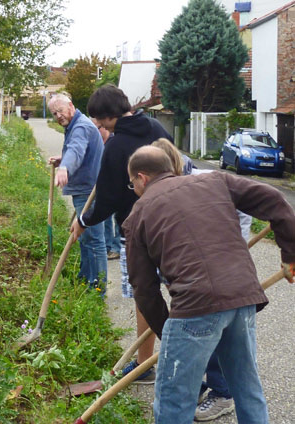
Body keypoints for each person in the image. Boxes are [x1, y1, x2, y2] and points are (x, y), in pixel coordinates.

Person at [122, 145, 295, 424]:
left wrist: (168, 332)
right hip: (243, 298)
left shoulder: (137, 215)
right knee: (247, 389)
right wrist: (290, 254)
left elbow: (143, 287)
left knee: (173, 402)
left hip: (195, 306)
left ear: (141, 177)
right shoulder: (214, 180)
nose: (135, 190)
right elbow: (274, 199)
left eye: (132, 185)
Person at [71, 85, 173, 383]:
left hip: (138, 231)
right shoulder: (156, 128)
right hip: (171, 226)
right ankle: (161, 362)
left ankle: (147, 365)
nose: (98, 125)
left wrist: (84, 220)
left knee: (145, 296)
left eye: (99, 119)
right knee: (179, 294)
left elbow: (106, 199)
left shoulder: (116, 146)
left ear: (108, 116)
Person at [153, 137, 239, 421]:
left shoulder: (205, 181)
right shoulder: (165, 190)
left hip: (221, 269)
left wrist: (236, 246)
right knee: (201, 329)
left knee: (214, 325)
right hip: (193, 270)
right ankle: (207, 383)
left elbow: (246, 211)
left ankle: (222, 392)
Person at [47, 94, 107, 289]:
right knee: (85, 238)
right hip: (85, 189)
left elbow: (77, 150)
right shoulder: (75, 125)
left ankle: (98, 287)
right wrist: (62, 159)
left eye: (61, 111)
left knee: (94, 240)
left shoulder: (80, 127)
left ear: (71, 106)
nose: (58, 116)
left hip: (90, 192)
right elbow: (75, 151)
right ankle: (86, 278)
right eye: (54, 113)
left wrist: (65, 167)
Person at [91, 118, 121, 261]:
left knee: (118, 216)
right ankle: (108, 246)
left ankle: (117, 247)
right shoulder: (97, 143)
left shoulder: (114, 142)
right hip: (104, 184)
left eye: (96, 127)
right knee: (106, 216)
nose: (94, 131)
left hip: (118, 184)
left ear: (103, 127)